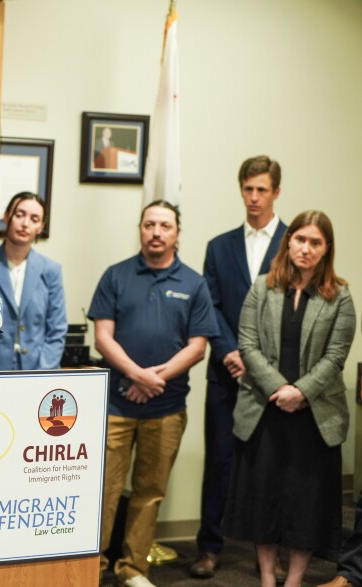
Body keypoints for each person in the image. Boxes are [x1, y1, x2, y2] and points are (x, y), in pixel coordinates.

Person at [88, 200, 218, 587]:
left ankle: (132, 569)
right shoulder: (116, 275)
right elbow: (102, 336)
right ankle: (90, 570)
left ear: (177, 232)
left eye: (164, 225)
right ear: (140, 229)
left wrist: (153, 380)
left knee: (149, 494)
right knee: (103, 492)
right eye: (149, 225)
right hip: (115, 405)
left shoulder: (193, 283)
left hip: (166, 407)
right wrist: (137, 374)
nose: (156, 232)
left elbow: (197, 347)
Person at [224, 210, 356, 587]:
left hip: (313, 418)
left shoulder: (340, 296)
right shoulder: (263, 287)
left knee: (305, 505)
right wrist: (278, 389)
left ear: (326, 249)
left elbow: (336, 356)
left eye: (316, 242)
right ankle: (268, 578)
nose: (306, 248)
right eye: (300, 239)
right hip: (265, 412)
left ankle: (295, 579)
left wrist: (300, 392)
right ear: (288, 241)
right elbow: (247, 343)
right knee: (263, 501)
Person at [190, 155, 287, 579]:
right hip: (226, 374)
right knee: (221, 463)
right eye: (247, 189)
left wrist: (259, 364)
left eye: (261, 189)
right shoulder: (219, 245)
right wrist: (232, 352)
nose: (253, 197)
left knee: (272, 467)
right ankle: (209, 549)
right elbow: (209, 306)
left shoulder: (293, 242)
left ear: (276, 193)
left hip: (277, 378)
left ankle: (269, 554)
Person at [0, 191, 67, 370]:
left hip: (40, 373)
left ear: (40, 227)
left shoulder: (51, 270)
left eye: (34, 219)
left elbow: (57, 330)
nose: (25, 223)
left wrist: (41, 374)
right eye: (19, 215)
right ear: (7, 217)